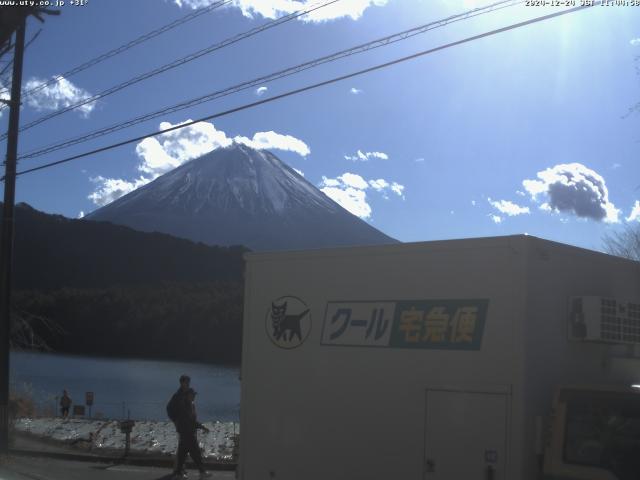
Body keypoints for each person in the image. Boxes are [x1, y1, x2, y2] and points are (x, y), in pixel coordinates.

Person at [167, 376, 211, 479]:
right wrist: (176, 421)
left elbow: (191, 420)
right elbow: (190, 420)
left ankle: (179, 473)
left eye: (188, 382)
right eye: (186, 382)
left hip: (186, 430)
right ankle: (201, 472)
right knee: (195, 452)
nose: (194, 397)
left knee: (183, 453)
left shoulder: (188, 402)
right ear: (182, 382)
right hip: (187, 430)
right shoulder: (179, 398)